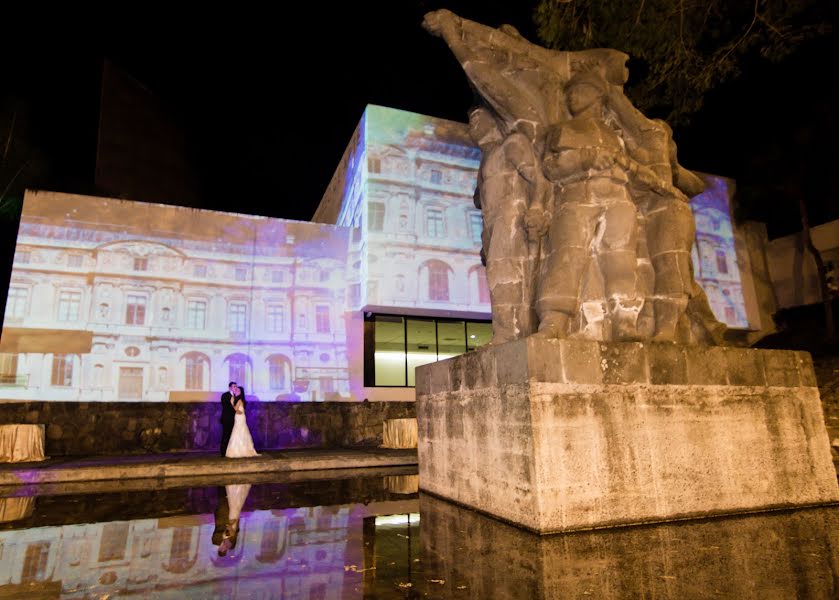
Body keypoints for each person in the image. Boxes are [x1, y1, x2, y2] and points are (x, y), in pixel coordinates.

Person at [224, 385, 260, 458]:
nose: (236, 391)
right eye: (235, 390)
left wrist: (231, 403)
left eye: (237, 390)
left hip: (240, 417)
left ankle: (240, 450)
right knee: (239, 431)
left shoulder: (240, 400)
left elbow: (237, 410)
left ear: (240, 392)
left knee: (239, 431)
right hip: (239, 417)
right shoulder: (238, 399)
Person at [219, 382, 239, 457]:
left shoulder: (237, 395)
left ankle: (232, 451)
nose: (235, 388)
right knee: (226, 435)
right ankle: (223, 452)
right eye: (234, 386)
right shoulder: (225, 395)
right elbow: (226, 406)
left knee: (233, 435)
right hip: (227, 419)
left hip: (235, 419)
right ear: (230, 387)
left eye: (236, 386)